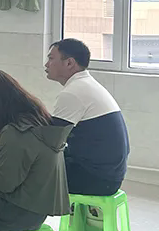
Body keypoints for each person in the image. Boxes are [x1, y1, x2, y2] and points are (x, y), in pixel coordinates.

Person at [0, 70, 72, 231]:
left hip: (13, 216)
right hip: (34, 214)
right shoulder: (37, 120)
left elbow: (3, 183)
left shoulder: (16, 132)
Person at [45, 39, 129, 196]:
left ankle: (18, 213)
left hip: (96, 180)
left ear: (69, 63)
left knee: (30, 170)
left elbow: (50, 141)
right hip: (109, 176)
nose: (46, 64)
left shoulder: (73, 92)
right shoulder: (86, 85)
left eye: (51, 58)